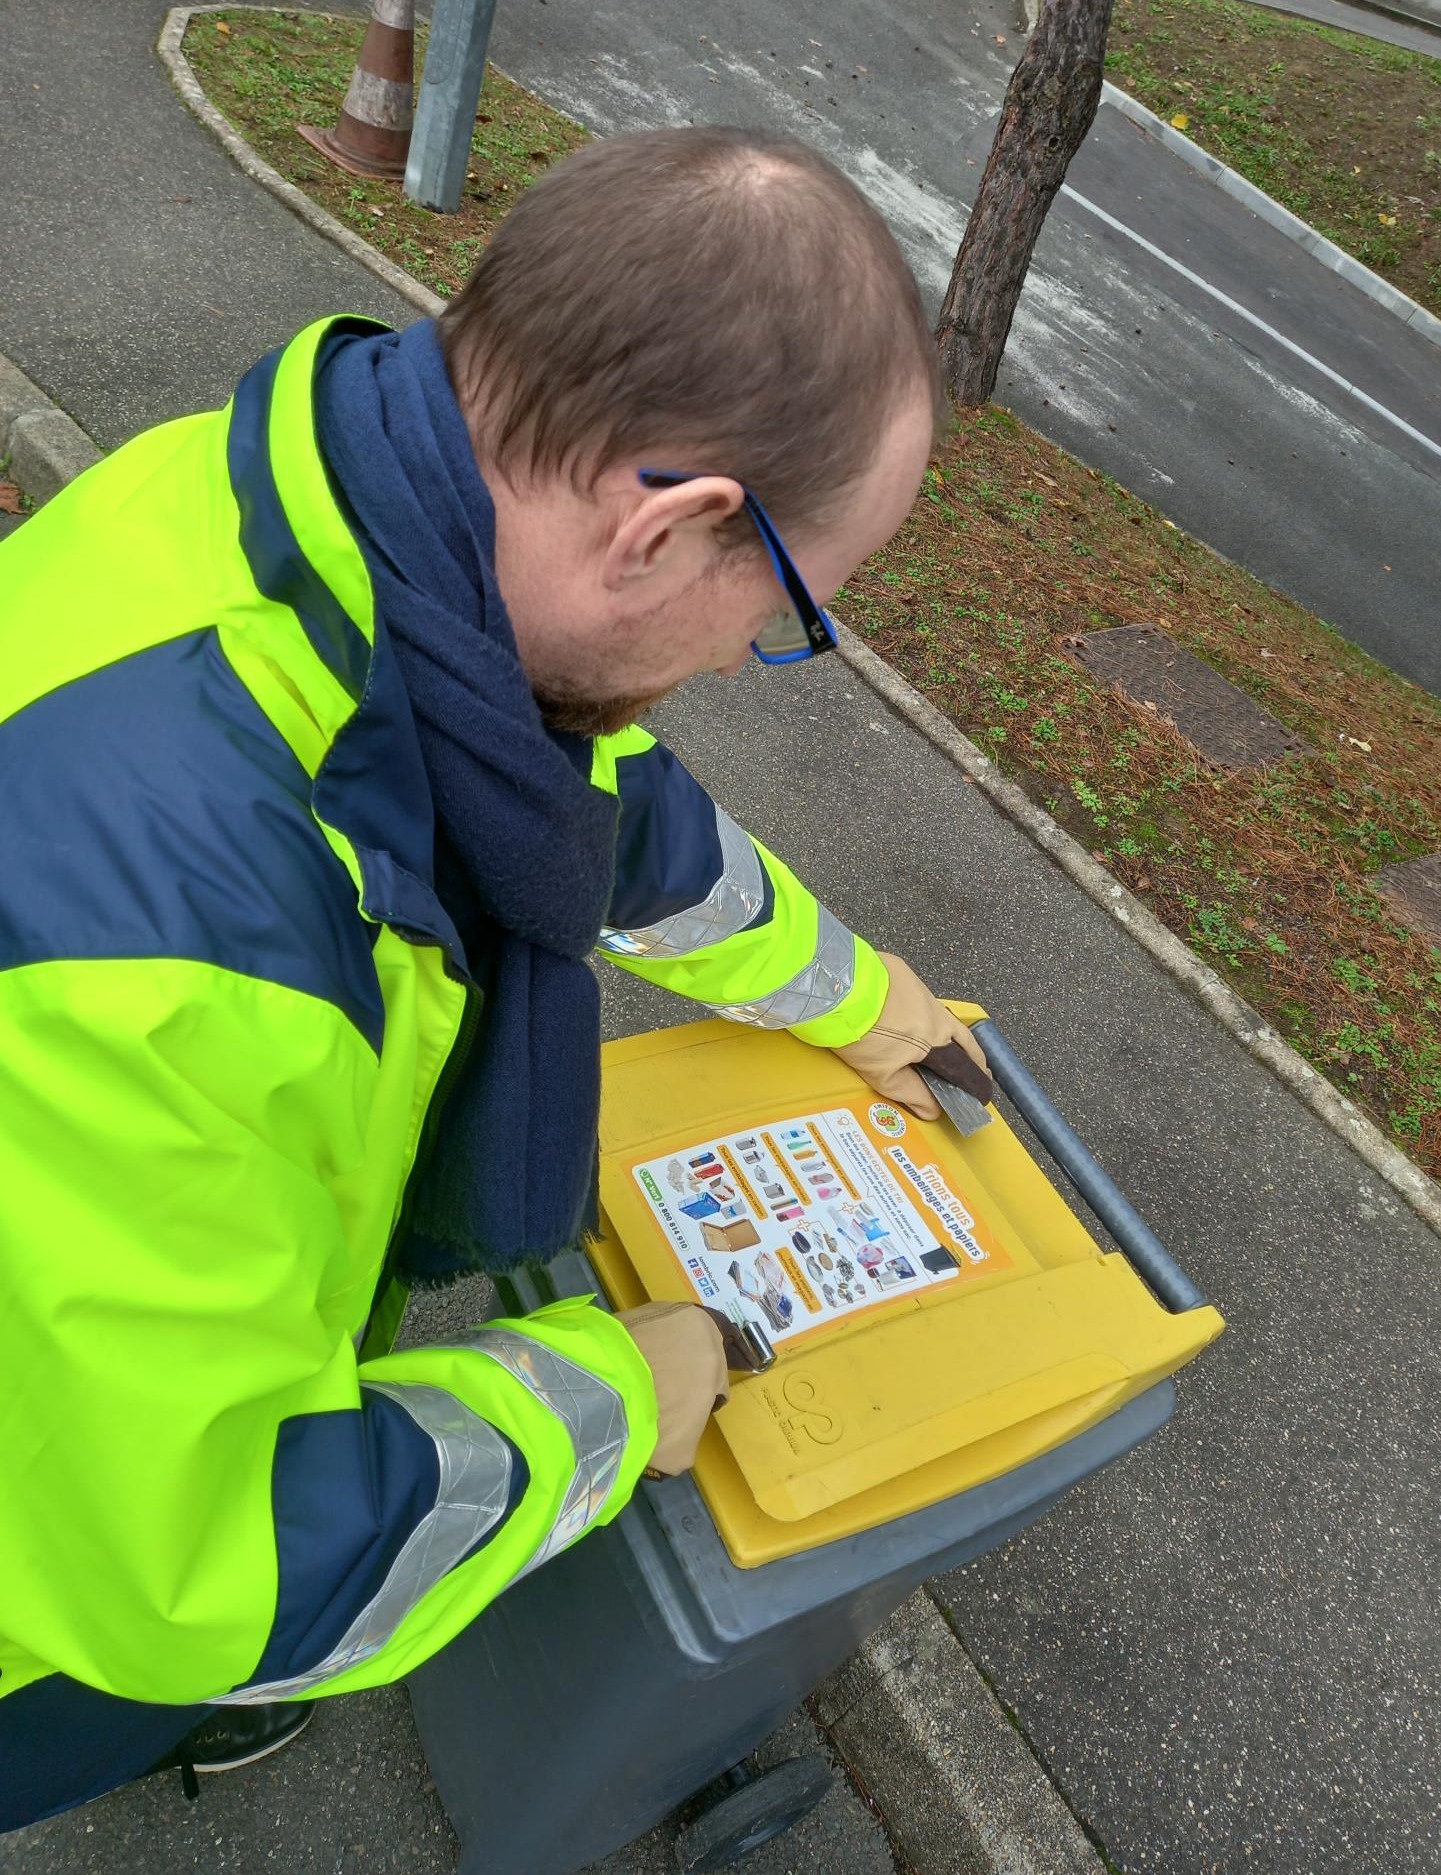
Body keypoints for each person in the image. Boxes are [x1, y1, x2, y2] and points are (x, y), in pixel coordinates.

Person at [0, 126, 991, 1829]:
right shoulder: (201, 949)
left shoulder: (328, 514)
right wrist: (626, 1388)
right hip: (48, 1625)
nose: (750, 666)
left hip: (116, 1316)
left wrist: (856, 996)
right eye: (786, 620)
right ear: (668, 527)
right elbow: (206, 1567)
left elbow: (612, 827)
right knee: (148, 1681)